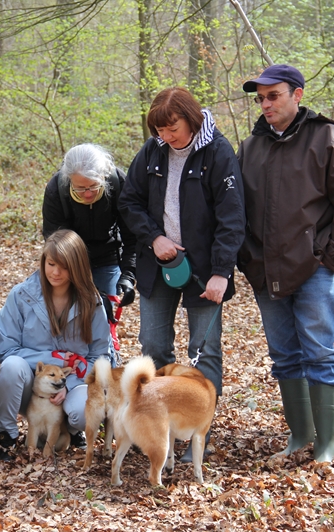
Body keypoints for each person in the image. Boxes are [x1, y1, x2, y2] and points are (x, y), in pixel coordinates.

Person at [237, 64, 334, 463]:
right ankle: (299, 436)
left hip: (313, 269)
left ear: (297, 94)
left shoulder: (328, 137)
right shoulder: (251, 147)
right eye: (260, 98)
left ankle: (327, 445)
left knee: (320, 354)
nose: (265, 104)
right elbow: (235, 209)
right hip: (264, 269)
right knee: (284, 356)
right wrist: (247, 257)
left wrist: (331, 259)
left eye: (273, 95)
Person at [118, 87, 245, 461]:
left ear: (191, 118)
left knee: (203, 353)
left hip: (206, 272)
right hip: (158, 269)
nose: (166, 136)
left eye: (172, 128)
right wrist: (154, 237)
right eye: (159, 129)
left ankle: (197, 437)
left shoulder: (218, 153)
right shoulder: (153, 151)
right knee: (154, 347)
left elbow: (232, 217)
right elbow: (130, 200)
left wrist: (222, 272)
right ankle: (158, 429)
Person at [0, 229, 112, 458]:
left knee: (82, 412)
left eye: (64, 266)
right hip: (31, 384)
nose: (56, 272)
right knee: (11, 366)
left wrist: (66, 384)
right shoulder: (21, 296)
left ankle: (70, 429)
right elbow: (7, 350)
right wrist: (53, 359)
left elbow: (100, 354)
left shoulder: (91, 301)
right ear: (43, 262)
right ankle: (6, 435)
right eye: (51, 264)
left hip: (73, 380)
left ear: (76, 267)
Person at [42, 143, 137, 303]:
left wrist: (129, 275)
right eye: (80, 188)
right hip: (68, 261)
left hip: (107, 256)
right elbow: (56, 243)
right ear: (69, 180)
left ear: (104, 177)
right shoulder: (56, 190)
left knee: (103, 317)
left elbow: (132, 236)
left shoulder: (118, 183)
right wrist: (87, 290)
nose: (87, 194)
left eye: (94, 186)